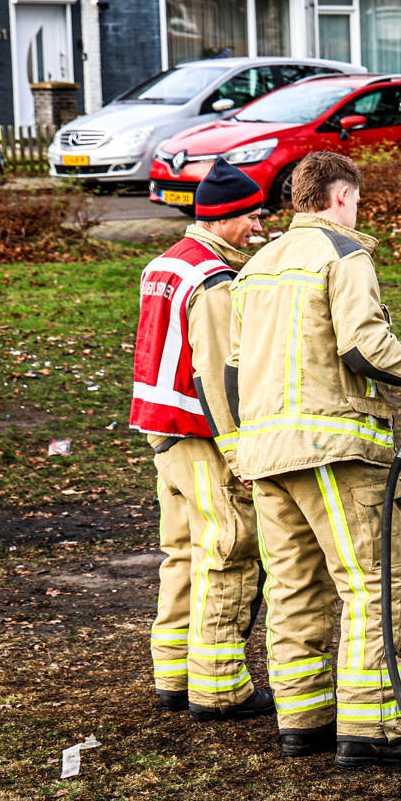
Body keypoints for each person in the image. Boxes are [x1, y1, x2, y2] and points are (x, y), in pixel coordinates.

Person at [227, 151, 401, 767]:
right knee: (374, 584)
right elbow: (366, 347)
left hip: (264, 452)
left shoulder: (254, 267)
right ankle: (372, 729)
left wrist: (246, 444)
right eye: (355, 198)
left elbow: (232, 373)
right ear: (340, 197)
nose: (357, 208)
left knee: (293, 587)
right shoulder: (343, 254)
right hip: (333, 449)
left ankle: (302, 720)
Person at [130, 159, 274, 721]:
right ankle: (218, 685)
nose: (259, 228)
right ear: (225, 218)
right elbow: (216, 372)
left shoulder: (166, 263)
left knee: (183, 551)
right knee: (231, 549)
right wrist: (238, 449)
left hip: (160, 427)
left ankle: (173, 673)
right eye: (253, 218)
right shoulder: (213, 280)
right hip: (199, 431)